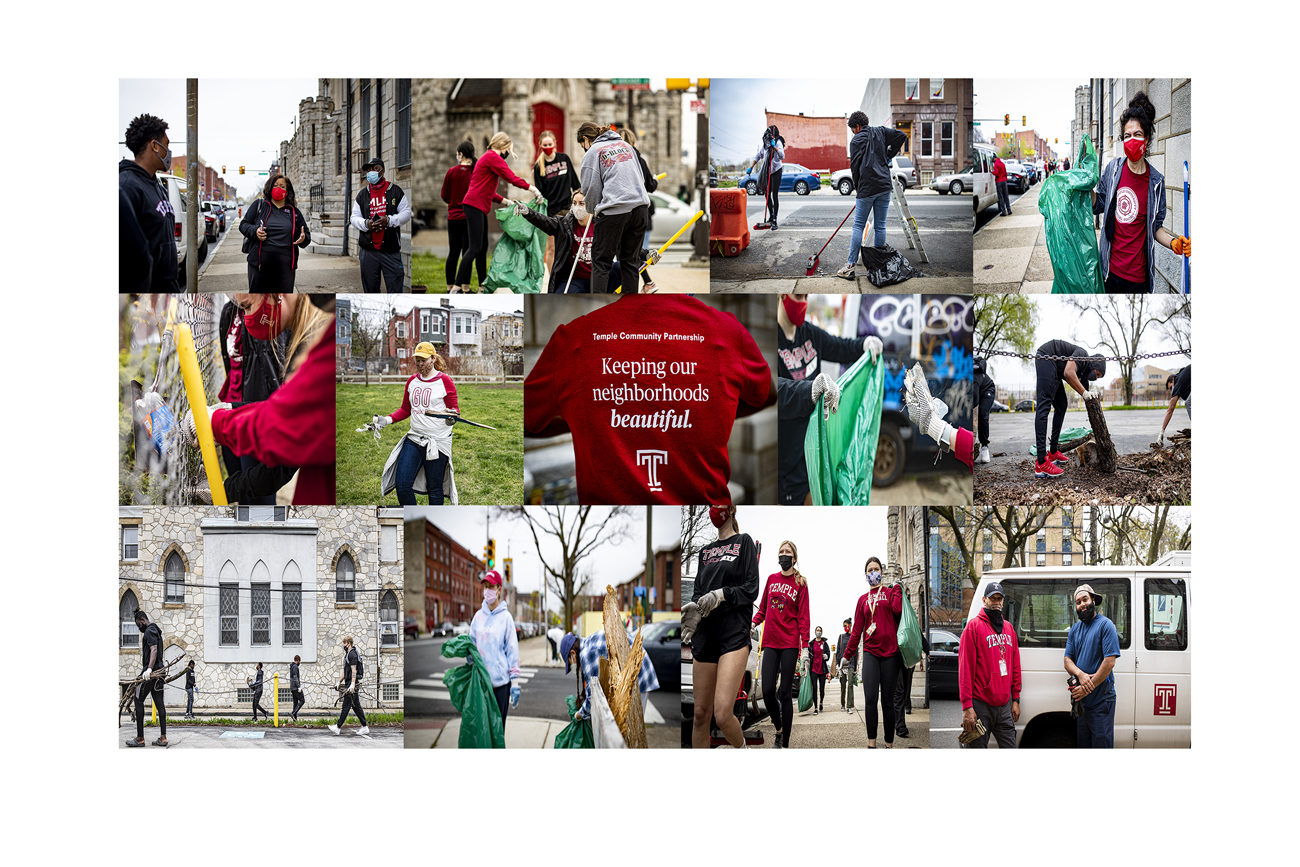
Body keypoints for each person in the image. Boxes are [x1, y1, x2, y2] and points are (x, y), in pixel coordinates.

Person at [523, 295, 773, 504]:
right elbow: (767, 394)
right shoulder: (726, 330)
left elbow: (522, 419)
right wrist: (710, 413)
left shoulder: (573, 338)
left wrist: (588, 418)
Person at [187, 295, 337, 504]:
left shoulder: (314, 339)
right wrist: (230, 409)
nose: (247, 317)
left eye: (247, 306)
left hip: (256, 424)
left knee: (260, 507)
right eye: (242, 308)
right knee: (246, 502)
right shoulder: (232, 313)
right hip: (246, 416)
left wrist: (216, 422)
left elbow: (286, 428)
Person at [775, 292, 883, 504]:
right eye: (798, 296)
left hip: (814, 455)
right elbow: (775, 389)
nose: (803, 302)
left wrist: (864, 344)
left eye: (806, 296)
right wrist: (810, 390)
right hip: (785, 463)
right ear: (781, 294)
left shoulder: (810, 334)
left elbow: (839, 347)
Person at [1091, 93, 1190, 293]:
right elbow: (1098, 204)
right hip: (1109, 273)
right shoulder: (1113, 170)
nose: (1132, 140)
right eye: (1127, 136)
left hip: (1138, 280)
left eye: (1137, 134)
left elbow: (1155, 228)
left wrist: (1174, 243)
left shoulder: (1156, 183)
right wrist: (1088, 188)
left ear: (1146, 138)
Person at [683, 506, 759, 748]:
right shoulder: (705, 551)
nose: (713, 508)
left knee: (723, 714)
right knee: (700, 715)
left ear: (732, 508)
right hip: (706, 635)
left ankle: (742, 750)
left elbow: (751, 589)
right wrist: (696, 608)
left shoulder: (744, 542)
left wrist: (721, 595)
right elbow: (698, 591)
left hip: (733, 634)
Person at [371, 341, 458, 505]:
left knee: (435, 488)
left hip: (437, 442)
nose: (420, 363)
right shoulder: (412, 381)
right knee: (402, 484)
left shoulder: (445, 381)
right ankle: (413, 515)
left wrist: (451, 418)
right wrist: (386, 420)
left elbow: (454, 411)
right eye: (417, 360)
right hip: (414, 438)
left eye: (423, 360)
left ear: (433, 358)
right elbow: (406, 409)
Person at [455, 132, 542, 292]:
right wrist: (533, 189)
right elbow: (512, 178)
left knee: (482, 248)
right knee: (474, 248)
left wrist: (507, 202)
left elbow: (488, 191)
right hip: (474, 205)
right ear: (502, 145)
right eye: (508, 149)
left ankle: (482, 287)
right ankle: (455, 287)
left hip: (476, 205)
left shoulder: (487, 158)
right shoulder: (493, 157)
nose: (508, 153)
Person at [576, 121, 650, 294]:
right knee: (630, 262)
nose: (584, 149)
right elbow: (640, 177)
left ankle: (599, 305)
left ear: (585, 139)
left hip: (615, 210)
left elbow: (590, 188)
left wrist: (593, 210)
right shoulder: (626, 146)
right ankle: (629, 306)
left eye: (582, 145)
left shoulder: (593, 152)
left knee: (601, 262)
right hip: (640, 208)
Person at [836, 111, 908, 280]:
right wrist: (889, 155)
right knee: (880, 226)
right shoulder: (881, 131)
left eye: (853, 130)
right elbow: (901, 136)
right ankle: (879, 268)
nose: (853, 133)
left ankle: (850, 267)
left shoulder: (856, 141)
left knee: (858, 226)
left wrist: (858, 188)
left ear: (857, 127)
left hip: (867, 188)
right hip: (883, 185)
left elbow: (855, 168)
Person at [752, 540, 810, 748]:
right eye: (781, 551)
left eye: (788, 552)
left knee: (785, 692)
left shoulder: (800, 583)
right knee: (767, 690)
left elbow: (803, 618)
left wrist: (805, 648)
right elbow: (763, 608)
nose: (784, 554)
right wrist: (753, 623)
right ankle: (779, 728)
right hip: (770, 641)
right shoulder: (771, 579)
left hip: (789, 643)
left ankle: (784, 744)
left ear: (794, 558)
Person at [842, 557, 903, 748]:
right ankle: (871, 744)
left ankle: (889, 744)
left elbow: (897, 610)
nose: (873, 572)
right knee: (870, 699)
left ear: (881, 572)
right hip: (870, 653)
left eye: (876, 569)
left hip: (890, 654)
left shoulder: (890, 592)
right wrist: (847, 655)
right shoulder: (862, 600)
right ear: (865, 574)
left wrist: (898, 589)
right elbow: (857, 631)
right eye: (870, 570)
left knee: (887, 701)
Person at [516, 191, 624, 293]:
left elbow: (620, 240)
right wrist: (528, 212)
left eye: (581, 203)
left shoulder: (601, 225)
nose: (577, 207)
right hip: (576, 279)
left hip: (598, 277)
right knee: (560, 298)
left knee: (620, 266)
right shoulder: (565, 224)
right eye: (574, 203)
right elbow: (545, 222)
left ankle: (608, 297)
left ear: (590, 205)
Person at [957, 582, 1022, 749]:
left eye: (999, 598)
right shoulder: (973, 627)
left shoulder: (1009, 629)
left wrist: (1016, 699)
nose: (996, 602)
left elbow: (1015, 666)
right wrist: (967, 707)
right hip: (981, 705)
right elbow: (965, 670)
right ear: (984, 599)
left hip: (1004, 705)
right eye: (993, 598)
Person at [1030, 340, 1107, 479]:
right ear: (1094, 364)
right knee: (1044, 406)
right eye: (1097, 374)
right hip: (1047, 356)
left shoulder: (1083, 376)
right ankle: (1041, 462)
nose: (1095, 378)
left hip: (1054, 367)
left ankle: (1053, 452)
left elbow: (1086, 397)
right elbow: (1068, 372)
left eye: (1098, 377)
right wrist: (1084, 393)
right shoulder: (1083, 355)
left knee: (1061, 405)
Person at [119, 113, 178, 293]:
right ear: (155, 146)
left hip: (169, 287)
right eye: (166, 145)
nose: (168, 152)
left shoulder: (156, 184)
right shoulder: (127, 186)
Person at [561, 628, 660, 722]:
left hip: (639, 673)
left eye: (570, 663)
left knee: (632, 725)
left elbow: (592, 698)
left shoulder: (586, 654)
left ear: (573, 653)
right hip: (637, 668)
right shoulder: (588, 643)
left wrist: (579, 715)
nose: (573, 666)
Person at [1065, 584, 1121, 748]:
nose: (1082, 604)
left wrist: (1086, 688)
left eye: (1085, 599)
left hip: (1101, 702)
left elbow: (1109, 661)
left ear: (1093, 601)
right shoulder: (1075, 629)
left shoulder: (1106, 625)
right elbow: (1067, 660)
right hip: (1083, 704)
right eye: (1078, 602)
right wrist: (1080, 674)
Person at [240, 174, 311, 293]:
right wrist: (255, 231)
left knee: (283, 301)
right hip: (259, 267)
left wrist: (303, 239)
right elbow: (243, 225)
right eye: (275, 185)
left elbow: (306, 235)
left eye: (282, 186)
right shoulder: (259, 205)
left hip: (285, 268)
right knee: (258, 299)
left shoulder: (294, 212)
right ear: (269, 188)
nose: (278, 189)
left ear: (287, 191)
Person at [350, 157, 411, 293]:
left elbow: (406, 213)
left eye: (375, 168)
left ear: (382, 171)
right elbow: (354, 218)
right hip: (368, 252)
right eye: (369, 170)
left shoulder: (395, 190)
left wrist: (388, 220)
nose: (371, 172)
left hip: (390, 251)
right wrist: (367, 224)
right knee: (370, 291)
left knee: (395, 291)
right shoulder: (362, 195)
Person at [469, 569, 521, 729]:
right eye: (485, 586)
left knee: (497, 732)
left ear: (499, 590)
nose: (487, 591)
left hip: (501, 686)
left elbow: (512, 651)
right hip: (481, 685)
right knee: (482, 732)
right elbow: (471, 646)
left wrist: (515, 682)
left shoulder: (506, 619)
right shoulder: (478, 618)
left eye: (491, 587)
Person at [532, 130, 582, 275]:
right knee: (552, 248)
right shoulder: (538, 167)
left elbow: (575, 183)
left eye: (550, 144)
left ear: (555, 143)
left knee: (572, 245)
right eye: (545, 145)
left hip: (568, 209)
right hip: (551, 212)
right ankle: (553, 278)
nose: (548, 147)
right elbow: (541, 194)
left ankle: (572, 275)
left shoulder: (564, 159)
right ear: (540, 145)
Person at [619, 127, 659, 292]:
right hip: (640, 211)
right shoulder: (639, 160)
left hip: (622, 210)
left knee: (626, 251)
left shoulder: (617, 160)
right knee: (632, 251)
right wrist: (655, 180)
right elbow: (650, 185)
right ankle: (647, 282)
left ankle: (646, 283)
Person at [443, 141, 485, 294]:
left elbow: (444, 195)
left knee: (453, 252)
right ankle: (466, 288)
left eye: (457, 153)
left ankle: (450, 288)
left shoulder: (451, 172)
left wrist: (453, 202)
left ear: (461, 154)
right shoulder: (475, 173)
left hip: (453, 217)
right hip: (469, 217)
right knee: (467, 251)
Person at [126, 609, 168, 747]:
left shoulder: (149, 631)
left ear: (143, 620)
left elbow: (153, 649)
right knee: (159, 703)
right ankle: (163, 738)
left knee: (138, 700)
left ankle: (140, 738)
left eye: (138, 625)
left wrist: (149, 669)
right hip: (160, 672)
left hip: (151, 672)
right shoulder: (156, 631)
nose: (139, 628)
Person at [329, 635, 369, 736]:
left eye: (344, 643)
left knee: (346, 706)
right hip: (349, 683)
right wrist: (339, 682)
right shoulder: (347, 654)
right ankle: (364, 727)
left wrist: (352, 684)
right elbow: (345, 670)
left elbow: (354, 670)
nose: (343, 645)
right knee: (356, 706)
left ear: (349, 643)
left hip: (352, 684)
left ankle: (338, 727)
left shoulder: (352, 654)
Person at [750, 124, 785, 230]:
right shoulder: (766, 145)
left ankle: (775, 220)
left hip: (776, 171)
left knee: (774, 195)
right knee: (766, 194)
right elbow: (758, 156)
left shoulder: (777, 142)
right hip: (768, 172)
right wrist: (751, 167)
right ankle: (771, 215)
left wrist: (775, 147)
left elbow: (782, 156)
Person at [974, 356, 997, 465]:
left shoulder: (974, 379)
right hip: (977, 391)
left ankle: (984, 446)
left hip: (987, 390)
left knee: (982, 414)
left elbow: (973, 410)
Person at [1161, 366, 1191, 444]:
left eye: (1171, 387)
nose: (1172, 390)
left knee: (1188, 403)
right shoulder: (1183, 377)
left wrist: (1162, 432)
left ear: (1173, 379)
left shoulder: (1178, 382)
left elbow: (1170, 410)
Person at [834, 618, 857, 713]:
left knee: (850, 684)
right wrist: (837, 664)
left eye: (846, 625)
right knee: (843, 684)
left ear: (850, 625)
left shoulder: (853, 637)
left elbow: (856, 652)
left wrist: (855, 667)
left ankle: (849, 706)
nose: (844, 627)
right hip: (842, 664)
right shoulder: (841, 637)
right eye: (843, 626)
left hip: (851, 663)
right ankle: (843, 704)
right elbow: (838, 651)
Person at [808, 626, 831, 716]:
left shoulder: (824, 643)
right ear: (815, 632)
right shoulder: (811, 643)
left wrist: (826, 656)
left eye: (820, 630)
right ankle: (816, 708)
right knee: (814, 688)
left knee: (822, 689)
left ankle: (821, 702)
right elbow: (809, 655)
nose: (818, 632)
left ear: (821, 632)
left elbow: (828, 654)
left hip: (822, 669)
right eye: (817, 630)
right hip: (814, 668)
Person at [289, 654, 305, 723]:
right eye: (299, 661)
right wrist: (298, 686)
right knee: (302, 700)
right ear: (298, 660)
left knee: (295, 703)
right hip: (295, 687)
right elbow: (295, 677)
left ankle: (294, 719)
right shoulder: (295, 666)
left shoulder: (292, 666)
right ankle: (293, 713)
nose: (299, 663)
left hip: (292, 687)